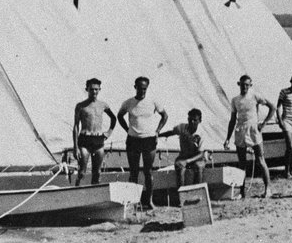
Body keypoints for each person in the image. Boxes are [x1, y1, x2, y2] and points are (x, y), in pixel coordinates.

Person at [117, 76, 168, 210]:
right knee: (133, 172)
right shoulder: (128, 103)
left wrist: (157, 131)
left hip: (149, 140)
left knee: (148, 172)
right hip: (133, 140)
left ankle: (149, 201)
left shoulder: (153, 102)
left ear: (147, 88)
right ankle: (133, 202)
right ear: (135, 87)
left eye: (144, 89)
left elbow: (165, 116)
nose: (142, 91)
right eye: (140, 88)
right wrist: (127, 129)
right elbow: (119, 116)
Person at [224, 74, 276, 198]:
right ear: (239, 84)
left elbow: (272, 107)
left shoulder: (254, 95)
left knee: (260, 160)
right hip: (240, 131)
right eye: (242, 85)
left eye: (247, 85)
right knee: (242, 163)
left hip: (253, 130)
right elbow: (232, 120)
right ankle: (242, 192)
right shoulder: (235, 100)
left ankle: (268, 188)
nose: (244, 87)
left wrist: (263, 124)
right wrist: (227, 138)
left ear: (250, 85)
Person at [72, 78, 117, 185]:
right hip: (85, 140)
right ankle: (77, 192)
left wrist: (109, 132)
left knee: (97, 173)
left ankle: (94, 196)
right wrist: (75, 147)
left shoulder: (103, 105)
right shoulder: (81, 106)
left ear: (99, 89)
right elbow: (75, 126)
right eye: (91, 89)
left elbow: (114, 118)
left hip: (98, 140)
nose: (94, 92)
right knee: (82, 172)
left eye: (96, 89)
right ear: (87, 89)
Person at [159, 108, 206, 188]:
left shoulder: (202, 133)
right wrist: (158, 135)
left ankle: (197, 190)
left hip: (197, 158)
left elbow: (201, 154)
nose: (192, 122)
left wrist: (188, 161)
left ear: (200, 121)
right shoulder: (182, 127)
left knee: (199, 166)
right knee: (179, 165)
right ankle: (181, 192)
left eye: (195, 120)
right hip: (184, 156)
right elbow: (171, 132)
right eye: (190, 119)